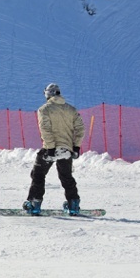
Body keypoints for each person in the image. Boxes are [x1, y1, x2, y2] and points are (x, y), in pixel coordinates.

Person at [24, 83, 85, 216]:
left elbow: (45, 129)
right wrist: (76, 146)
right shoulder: (71, 110)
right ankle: (73, 204)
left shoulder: (44, 110)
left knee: (38, 175)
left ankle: (34, 204)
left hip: (50, 149)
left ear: (47, 94)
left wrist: (50, 148)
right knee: (66, 177)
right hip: (66, 150)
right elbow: (80, 128)